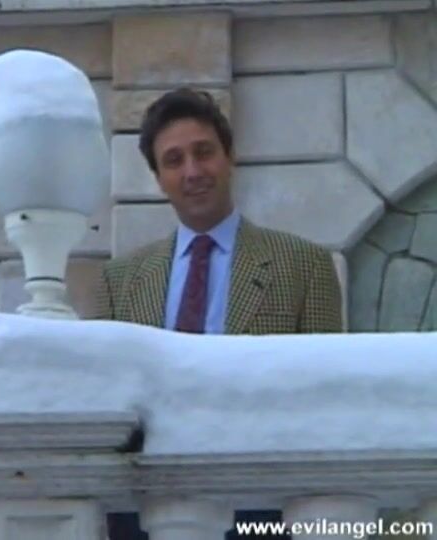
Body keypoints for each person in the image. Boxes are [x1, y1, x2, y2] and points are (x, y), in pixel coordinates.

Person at [94, 88, 343, 539]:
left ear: (230, 157)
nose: (192, 171)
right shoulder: (120, 280)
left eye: (204, 152)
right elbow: (108, 409)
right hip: (148, 512)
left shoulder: (305, 265)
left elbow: (327, 401)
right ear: (159, 179)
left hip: (263, 509)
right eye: (174, 160)